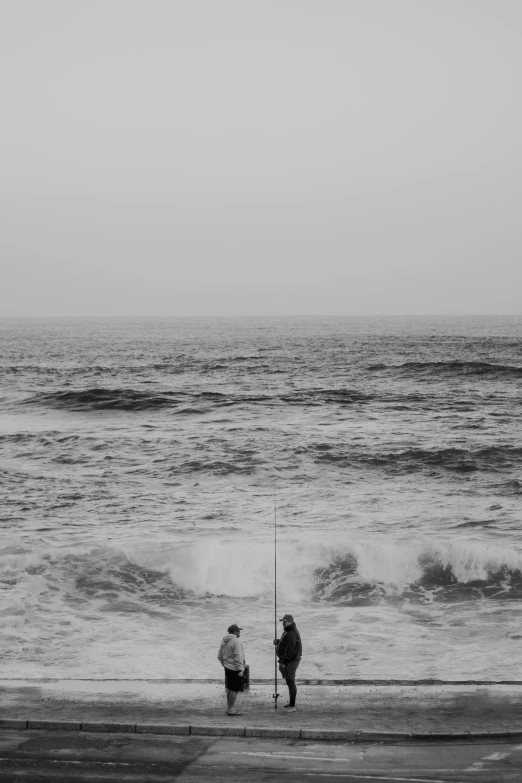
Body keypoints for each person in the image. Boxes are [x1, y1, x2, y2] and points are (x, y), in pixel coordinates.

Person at [273, 613, 302, 712]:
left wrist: (284, 662)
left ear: (290, 621)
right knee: (289, 681)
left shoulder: (291, 633)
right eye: (282, 622)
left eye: (285, 622)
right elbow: (286, 644)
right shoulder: (288, 631)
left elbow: (290, 651)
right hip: (289, 660)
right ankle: (291, 703)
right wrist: (278, 642)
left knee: (290, 681)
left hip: (291, 661)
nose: (283, 624)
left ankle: (292, 706)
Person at [217, 623, 246, 716]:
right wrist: (240, 669)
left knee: (229, 688)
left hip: (227, 668)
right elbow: (238, 657)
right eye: (238, 630)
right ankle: (230, 710)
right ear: (234, 631)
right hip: (235, 668)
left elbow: (219, 656)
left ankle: (230, 707)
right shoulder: (236, 642)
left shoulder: (224, 641)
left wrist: (225, 664)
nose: (239, 632)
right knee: (234, 689)